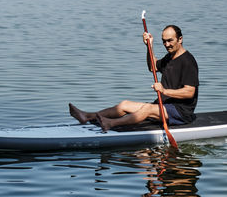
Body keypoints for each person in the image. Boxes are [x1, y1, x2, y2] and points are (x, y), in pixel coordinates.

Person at [69, 24, 199, 131]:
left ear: (180, 39)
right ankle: (86, 116)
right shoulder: (170, 57)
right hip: (163, 105)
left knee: (147, 109)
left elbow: (189, 92)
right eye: (164, 41)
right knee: (124, 105)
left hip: (180, 112)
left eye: (170, 40)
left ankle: (111, 124)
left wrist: (164, 91)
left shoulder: (188, 61)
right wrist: (149, 46)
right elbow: (152, 67)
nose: (167, 44)